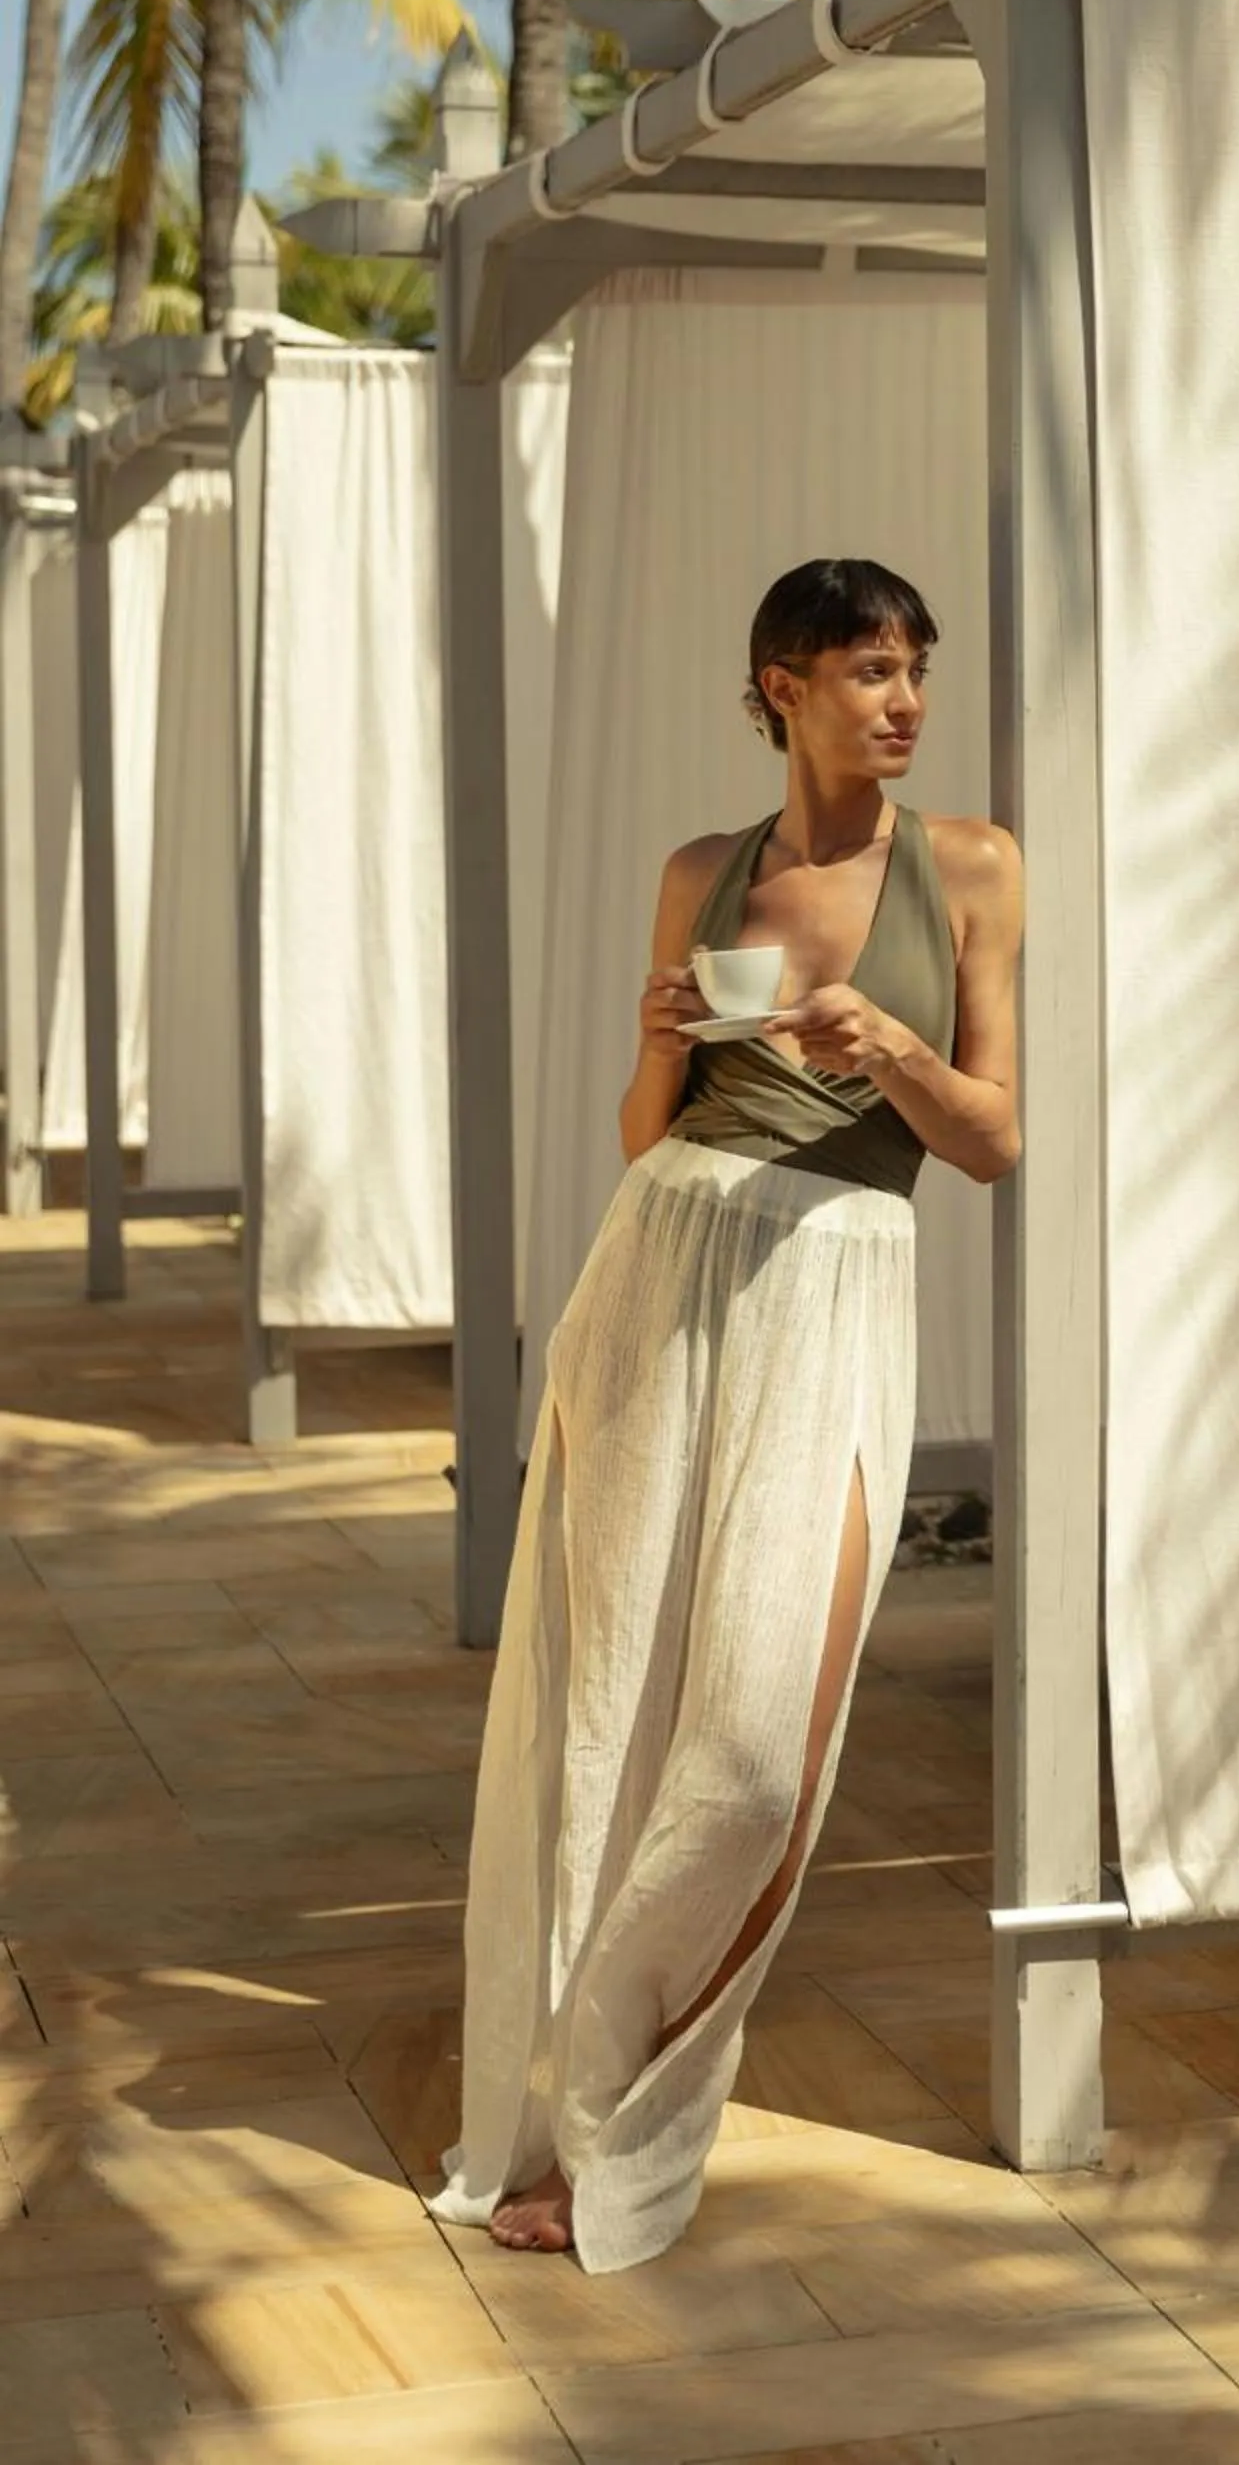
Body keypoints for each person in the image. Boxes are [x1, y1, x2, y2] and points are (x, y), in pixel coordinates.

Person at [426, 557, 1023, 2272]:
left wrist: (890, 1045)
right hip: (658, 1272)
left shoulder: (971, 867)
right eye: (864, 672)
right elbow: (645, 1132)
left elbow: (990, 1139)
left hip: (837, 1292)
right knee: (609, 1700)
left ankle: (628, 2094)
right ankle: (560, 2120)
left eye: (913, 669)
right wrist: (652, 1040)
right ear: (778, 686)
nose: (900, 701)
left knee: (758, 1750)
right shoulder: (703, 871)